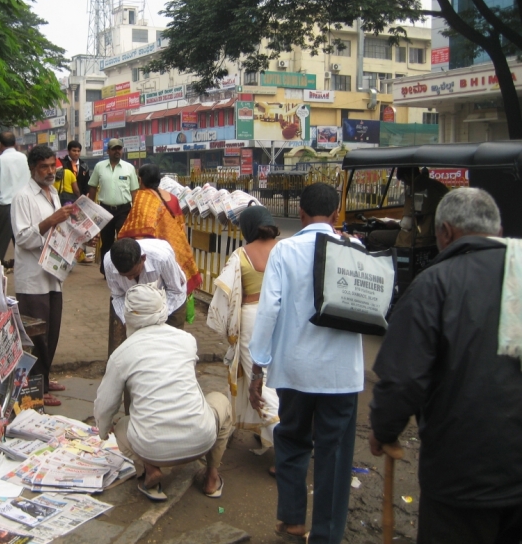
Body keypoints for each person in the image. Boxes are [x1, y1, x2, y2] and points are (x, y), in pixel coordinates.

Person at [369, 188, 522, 544]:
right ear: (496, 231)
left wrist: (384, 430)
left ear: (446, 233)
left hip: (461, 476)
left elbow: (402, 380)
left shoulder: (435, 284)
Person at [249, 183, 363, 543]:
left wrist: (258, 365)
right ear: (336, 215)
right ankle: (327, 534)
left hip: (295, 370)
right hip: (341, 375)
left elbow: (268, 311)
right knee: (334, 454)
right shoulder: (355, 248)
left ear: (299, 214)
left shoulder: (285, 251)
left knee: (293, 440)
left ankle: (293, 519)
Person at [94, 283, 233, 501]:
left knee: (121, 424)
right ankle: (211, 478)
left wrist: (103, 432)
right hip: (202, 438)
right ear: (162, 310)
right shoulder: (187, 340)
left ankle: (150, 471)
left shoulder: (122, 354)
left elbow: (105, 405)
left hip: (152, 449)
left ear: (128, 315)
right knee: (221, 401)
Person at [207, 205, 280, 451]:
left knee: (258, 381)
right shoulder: (285, 250)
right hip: (281, 319)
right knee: (276, 379)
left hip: (252, 320)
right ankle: (266, 432)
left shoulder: (241, 254)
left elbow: (224, 293)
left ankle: (284, 442)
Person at [11, 145, 78, 406]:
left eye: (53, 166)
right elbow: (24, 238)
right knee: (35, 334)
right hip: (32, 277)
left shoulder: (52, 194)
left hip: (53, 273)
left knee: (51, 330)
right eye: (44, 167)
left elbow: (58, 231)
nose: (50, 171)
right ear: (32, 168)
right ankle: (36, 388)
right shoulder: (23, 197)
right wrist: (52, 220)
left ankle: (45, 377)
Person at [118, 163, 202, 295]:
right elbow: (181, 227)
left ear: (140, 180)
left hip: (151, 256)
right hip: (172, 250)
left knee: (152, 294)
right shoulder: (173, 198)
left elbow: (134, 231)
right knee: (172, 289)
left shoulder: (141, 198)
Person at [105, 237, 187, 329]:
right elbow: (118, 296)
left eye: (134, 274)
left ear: (143, 258)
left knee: (169, 339)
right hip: (138, 305)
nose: (129, 278)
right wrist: (128, 321)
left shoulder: (162, 258)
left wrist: (154, 320)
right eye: (124, 276)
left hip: (171, 300)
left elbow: (175, 291)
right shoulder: (109, 263)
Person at [88, 138, 139, 275]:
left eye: (119, 148)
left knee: (124, 240)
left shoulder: (129, 168)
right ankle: (107, 270)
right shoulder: (99, 167)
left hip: (124, 209)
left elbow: (134, 191)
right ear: (108, 151)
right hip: (105, 209)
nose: (117, 151)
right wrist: (89, 207)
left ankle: (123, 269)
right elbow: (92, 187)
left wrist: (135, 210)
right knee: (107, 241)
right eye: (114, 148)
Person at [367, 166, 449, 249]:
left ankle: (389, 260)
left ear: (406, 176)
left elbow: (406, 224)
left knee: (373, 236)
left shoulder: (414, 189)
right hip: (436, 236)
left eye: (404, 180)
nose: (406, 184)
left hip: (416, 239)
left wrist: (396, 224)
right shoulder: (439, 186)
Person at [0, 132, 29, 265]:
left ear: (0, 144)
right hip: (23, 206)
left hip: (6, 207)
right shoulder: (24, 158)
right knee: (24, 245)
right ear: (15, 143)